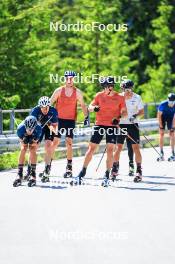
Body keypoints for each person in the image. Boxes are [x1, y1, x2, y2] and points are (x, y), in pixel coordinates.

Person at [73, 77, 127, 187]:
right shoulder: (99, 95)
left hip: (112, 125)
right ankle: (82, 171)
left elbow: (125, 112)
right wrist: (95, 108)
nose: (106, 89)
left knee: (110, 149)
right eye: (105, 87)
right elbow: (90, 107)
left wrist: (119, 117)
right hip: (99, 124)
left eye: (108, 87)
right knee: (91, 148)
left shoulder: (120, 97)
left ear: (111, 87)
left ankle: (107, 174)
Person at [50, 70, 89, 178]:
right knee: (55, 142)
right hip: (58, 120)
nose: (69, 80)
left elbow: (83, 105)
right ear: (65, 79)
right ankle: (48, 167)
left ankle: (69, 168)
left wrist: (87, 117)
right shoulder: (59, 91)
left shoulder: (77, 92)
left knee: (69, 144)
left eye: (72, 78)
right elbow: (49, 103)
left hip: (70, 121)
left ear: (74, 79)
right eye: (68, 78)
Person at [111, 79, 144, 183]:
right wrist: (115, 119)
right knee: (118, 147)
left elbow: (141, 112)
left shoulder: (137, 97)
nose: (127, 92)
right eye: (125, 89)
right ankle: (115, 167)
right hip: (121, 125)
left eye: (129, 89)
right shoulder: (118, 97)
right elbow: (114, 110)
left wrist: (135, 116)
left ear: (132, 88)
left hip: (132, 125)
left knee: (135, 148)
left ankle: (139, 170)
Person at [30, 96, 58, 181]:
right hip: (39, 127)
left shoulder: (53, 111)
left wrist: (50, 125)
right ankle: (30, 170)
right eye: (43, 108)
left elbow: (55, 127)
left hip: (50, 127)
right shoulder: (35, 111)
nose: (45, 110)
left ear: (49, 106)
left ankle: (47, 169)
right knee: (34, 146)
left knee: (48, 146)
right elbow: (31, 125)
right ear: (39, 107)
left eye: (46, 108)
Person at [13, 116, 42, 187]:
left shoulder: (38, 129)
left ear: (34, 127)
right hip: (23, 137)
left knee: (33, 150)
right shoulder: (20, 129)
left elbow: (36, 143)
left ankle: (33, 174)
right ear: (25, 126)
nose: (29, 131)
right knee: (23, 149)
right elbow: (22, 143)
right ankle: (19, 174)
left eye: (31, 129)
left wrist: (33, 141)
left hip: (34, 138)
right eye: (28, 129)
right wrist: (24, 140)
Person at [157, 93, 175, 161]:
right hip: (163, 118)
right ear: (168, 99)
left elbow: (174, 117)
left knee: (172, 134)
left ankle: (173, 152)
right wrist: (161, 126)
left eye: (173, 101)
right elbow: (159, 116)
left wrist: (173, 127)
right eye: (170, 101)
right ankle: (161, 152)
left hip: (171, 118)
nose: (171, 103)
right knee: (161, 133)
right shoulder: (163, 104)